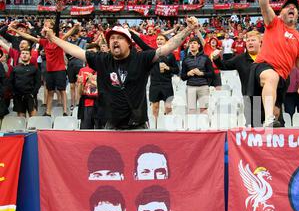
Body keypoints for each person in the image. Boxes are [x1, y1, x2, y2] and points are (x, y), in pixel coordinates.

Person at [43, 17, 200, 129]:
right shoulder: (103, 60)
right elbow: (77, 51)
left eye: (119, 38)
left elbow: (166, 48)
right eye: (111, 39)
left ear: (129, 43)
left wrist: (188, 29)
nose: (114, 41)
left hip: (137, 125)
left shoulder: (141, 59)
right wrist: (54, 39)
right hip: (111, 125)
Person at [249, 0, 299, 127]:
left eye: (295, 8)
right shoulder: (275, 22)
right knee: (269, 83)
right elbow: (264, 5)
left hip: (282, 77)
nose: (292, 8)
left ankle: (271, 122)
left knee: (278, 114)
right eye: (288, 7)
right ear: (281, 12)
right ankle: (267, 119)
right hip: (264, 67)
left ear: (297, 15)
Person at [147, 34, 180, 125]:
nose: (159, 41)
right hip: (154, 84)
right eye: (157, 39)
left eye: (161, 39)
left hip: (166, 84)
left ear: (166, 41)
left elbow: (177, 70)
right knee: (155, 107)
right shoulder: (152, 54)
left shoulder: (170, 55)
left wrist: (168, 68)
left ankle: (169, 127)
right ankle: (155, 127)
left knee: (168, 107)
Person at [180, 37, 215, 114]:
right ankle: (192, 126)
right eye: (191, 43)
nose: (192, 45)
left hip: (203, 87)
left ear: (199, 45)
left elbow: (212, 74)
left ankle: (203, 126)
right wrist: (188, 74)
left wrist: (201, 73)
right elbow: (182, 77)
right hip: (190, 87)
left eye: (194, 43)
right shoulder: (185, 59)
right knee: (191, 111)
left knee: (204, 110)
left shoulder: (205, 58)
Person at [10, 49, 41, 117]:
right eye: (23, 53)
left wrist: (32, 94)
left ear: (30, 56)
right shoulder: (15, 68)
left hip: (31, 96)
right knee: (21, 119)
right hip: (18, 97)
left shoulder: (35, 68)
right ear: (20, 56)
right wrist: (14, 93)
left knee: (33, 118)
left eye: (27, 53)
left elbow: (38, 83)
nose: (24, 55)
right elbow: (11, 82)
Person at [77, 43, 100, 129]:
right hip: (86, 105)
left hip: (100, 104)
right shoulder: (82, 70)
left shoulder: (104, 68)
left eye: (93, 52)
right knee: (85, 132)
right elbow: (80, 93)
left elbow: (106, 89)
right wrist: (80, 84)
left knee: (100, 132)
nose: (90, 55)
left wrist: (93, 81)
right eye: (89, 52)